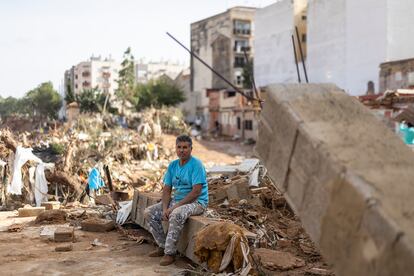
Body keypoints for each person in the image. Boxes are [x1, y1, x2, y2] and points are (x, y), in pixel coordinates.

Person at [144, 134, 208, 266]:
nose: (182, 150)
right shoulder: (173, 166)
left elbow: (196, 191)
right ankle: (162, 246)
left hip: (196, 202)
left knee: (177, 214)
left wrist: (173, 208)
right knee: (148, 212)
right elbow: (167, 190)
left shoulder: (196, 165)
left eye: (185, 147)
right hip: (177, 201)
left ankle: (170, 253)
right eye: (179, 147)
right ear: (175, 149)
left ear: (191, 149)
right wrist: (164, 208)